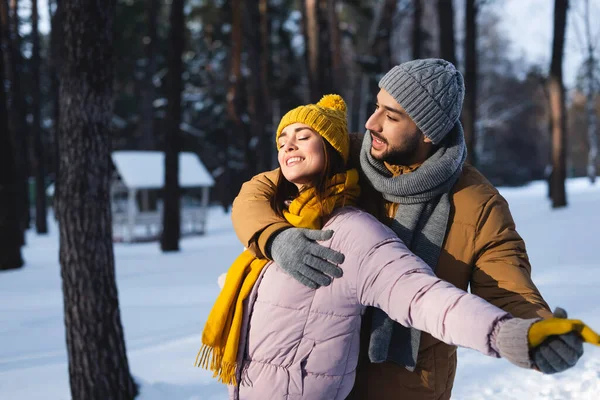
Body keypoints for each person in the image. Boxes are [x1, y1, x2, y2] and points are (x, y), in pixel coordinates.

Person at [198, 94, 599, 400]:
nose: (372, 122)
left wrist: (532, 333)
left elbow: (450, 293)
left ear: (426, 130)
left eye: (390, 115)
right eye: (376, 106)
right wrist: (275, 237)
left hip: (410, 380)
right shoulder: (346, 167)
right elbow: (256, 190)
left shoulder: (474, 203)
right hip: (337, 376)